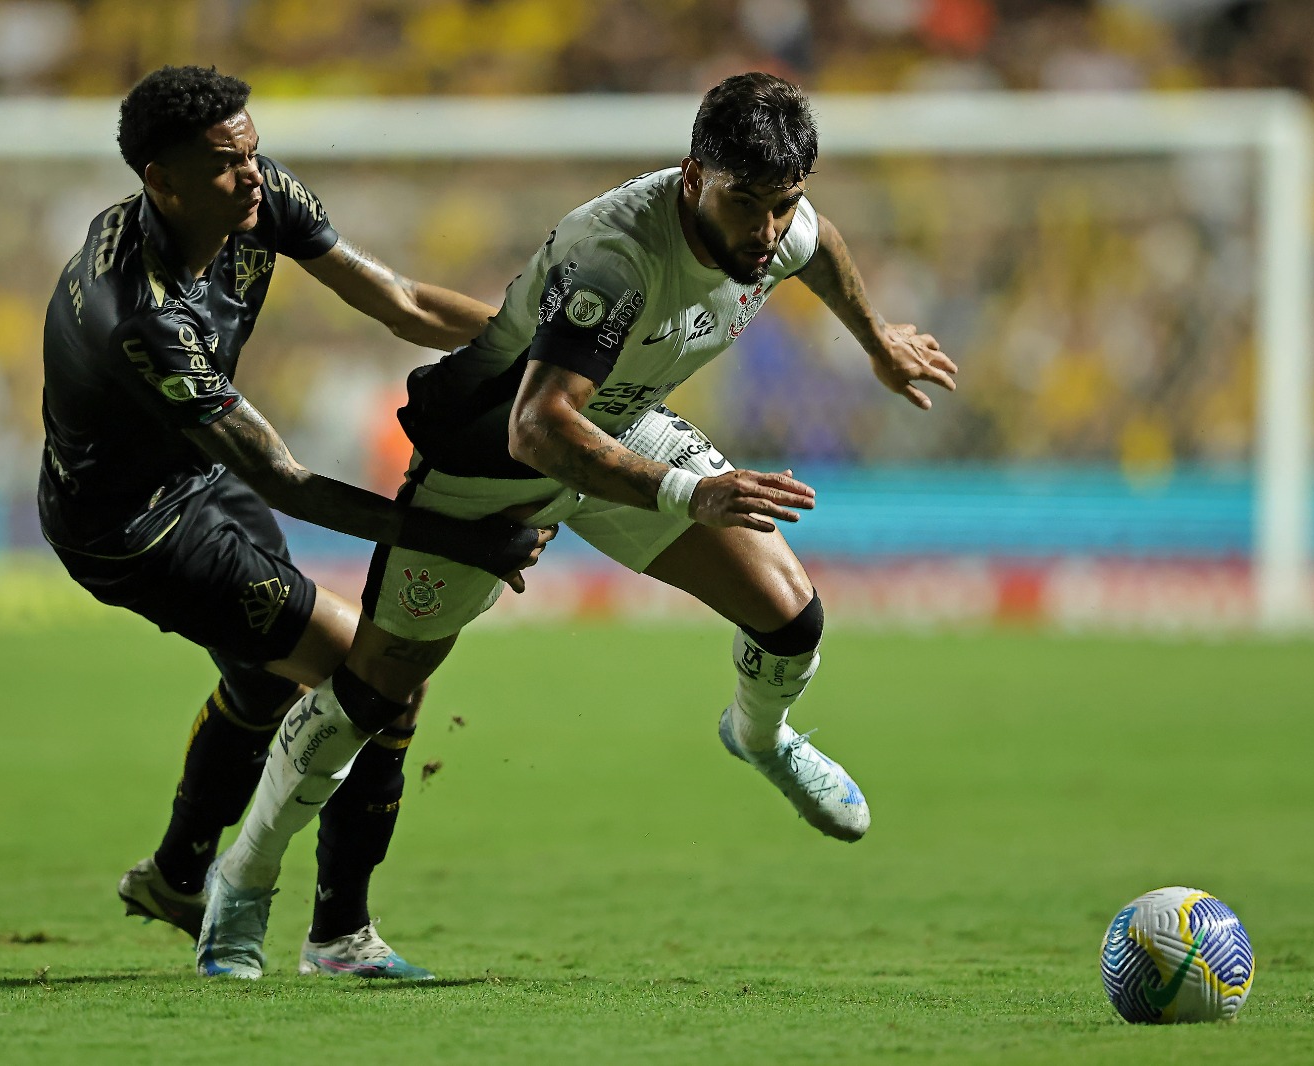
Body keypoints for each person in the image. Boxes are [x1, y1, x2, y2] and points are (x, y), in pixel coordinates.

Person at [195, 72, 957, 978]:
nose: (763, 231)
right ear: (691, 177)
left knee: (791, 618)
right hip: (493, 463)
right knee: (373, 695)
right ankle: (241, 882)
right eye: (743, 202)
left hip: (617, 426)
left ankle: (759, 735)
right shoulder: (617, 258)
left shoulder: (778, 222)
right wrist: (686, 494)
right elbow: (536, 425)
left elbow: (818, 242)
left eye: (779, 202)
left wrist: (876, 341)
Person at [38, 65, 551, 980]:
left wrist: (538, 352)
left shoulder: (258, 199)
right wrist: (465, 539)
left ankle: (175, 879)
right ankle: (339, 938)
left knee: (269, 678)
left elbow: (398, 301)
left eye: (254, 151)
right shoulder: (136, 313)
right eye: (228, 163)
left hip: (197, 477)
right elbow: (284, 478)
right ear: (161, 179)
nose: (253, 175)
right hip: (133, 530)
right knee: (377, 674)